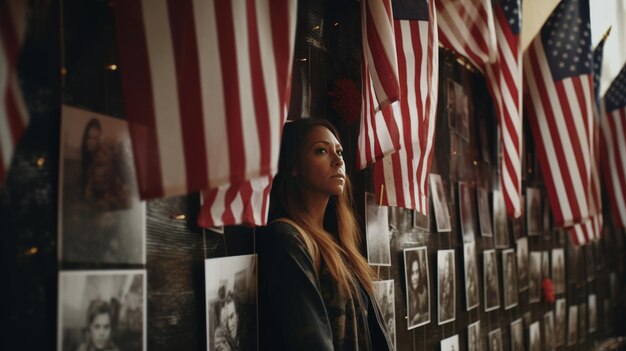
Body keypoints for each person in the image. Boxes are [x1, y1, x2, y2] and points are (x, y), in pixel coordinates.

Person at [258, 118, 393, 350]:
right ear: (294, 166)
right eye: (321, 150)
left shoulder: (337, 241)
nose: (338, 160)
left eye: (339, 151)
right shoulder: (288, 238)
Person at [408, 252, 429, 326]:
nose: (415, 277)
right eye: (412, 273)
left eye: (417, 272)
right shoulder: (408, 293)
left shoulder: (424, 291)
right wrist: (413, 320)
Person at [439, 252, 454, 322]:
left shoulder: (451, 283)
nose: (446, 271)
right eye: (445, 268)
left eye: (448, 269)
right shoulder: (442, 282)